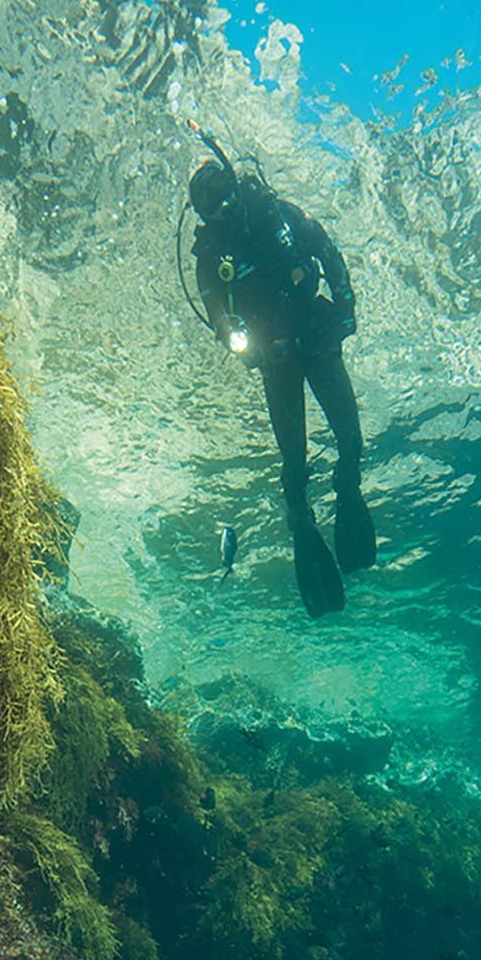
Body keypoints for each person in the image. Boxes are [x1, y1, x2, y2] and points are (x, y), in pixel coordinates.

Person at [188, 156, 375, 617]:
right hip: (277, 361)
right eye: (212, 204)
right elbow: (218, 317)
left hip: (318, 336)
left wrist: (345, 301)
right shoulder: (212, 255)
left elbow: (326, 249)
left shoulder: (275, 212)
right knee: (294, 461)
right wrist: (241, 343)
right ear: (201, 214)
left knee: (351, 441)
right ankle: (302, 522)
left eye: (224, 193)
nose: (224, 208)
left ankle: (347, 489)